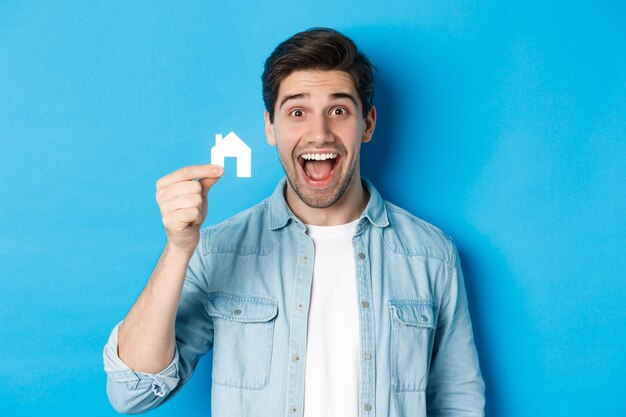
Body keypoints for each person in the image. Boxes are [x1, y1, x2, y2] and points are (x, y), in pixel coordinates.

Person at [103, 27, 485, 416]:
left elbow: (458, 400)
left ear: (367, 124)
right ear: (270, 127)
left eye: (338, 111)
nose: (319, 134)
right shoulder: (218, 250)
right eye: (297, 112)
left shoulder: (431, 256)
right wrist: (177, 250)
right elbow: (131, 391)